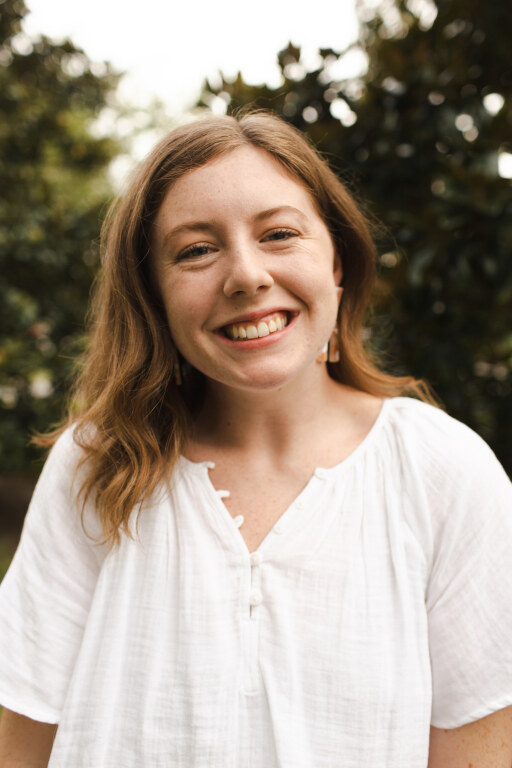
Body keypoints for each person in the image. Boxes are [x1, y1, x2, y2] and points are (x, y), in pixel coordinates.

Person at [0, 110, 511, 768]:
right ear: (154, 296)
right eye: (196, 250)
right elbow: (18, 738)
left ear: (338, 263)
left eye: (279, 234)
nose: (246, 275)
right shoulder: (98, 463)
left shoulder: (443, 471)